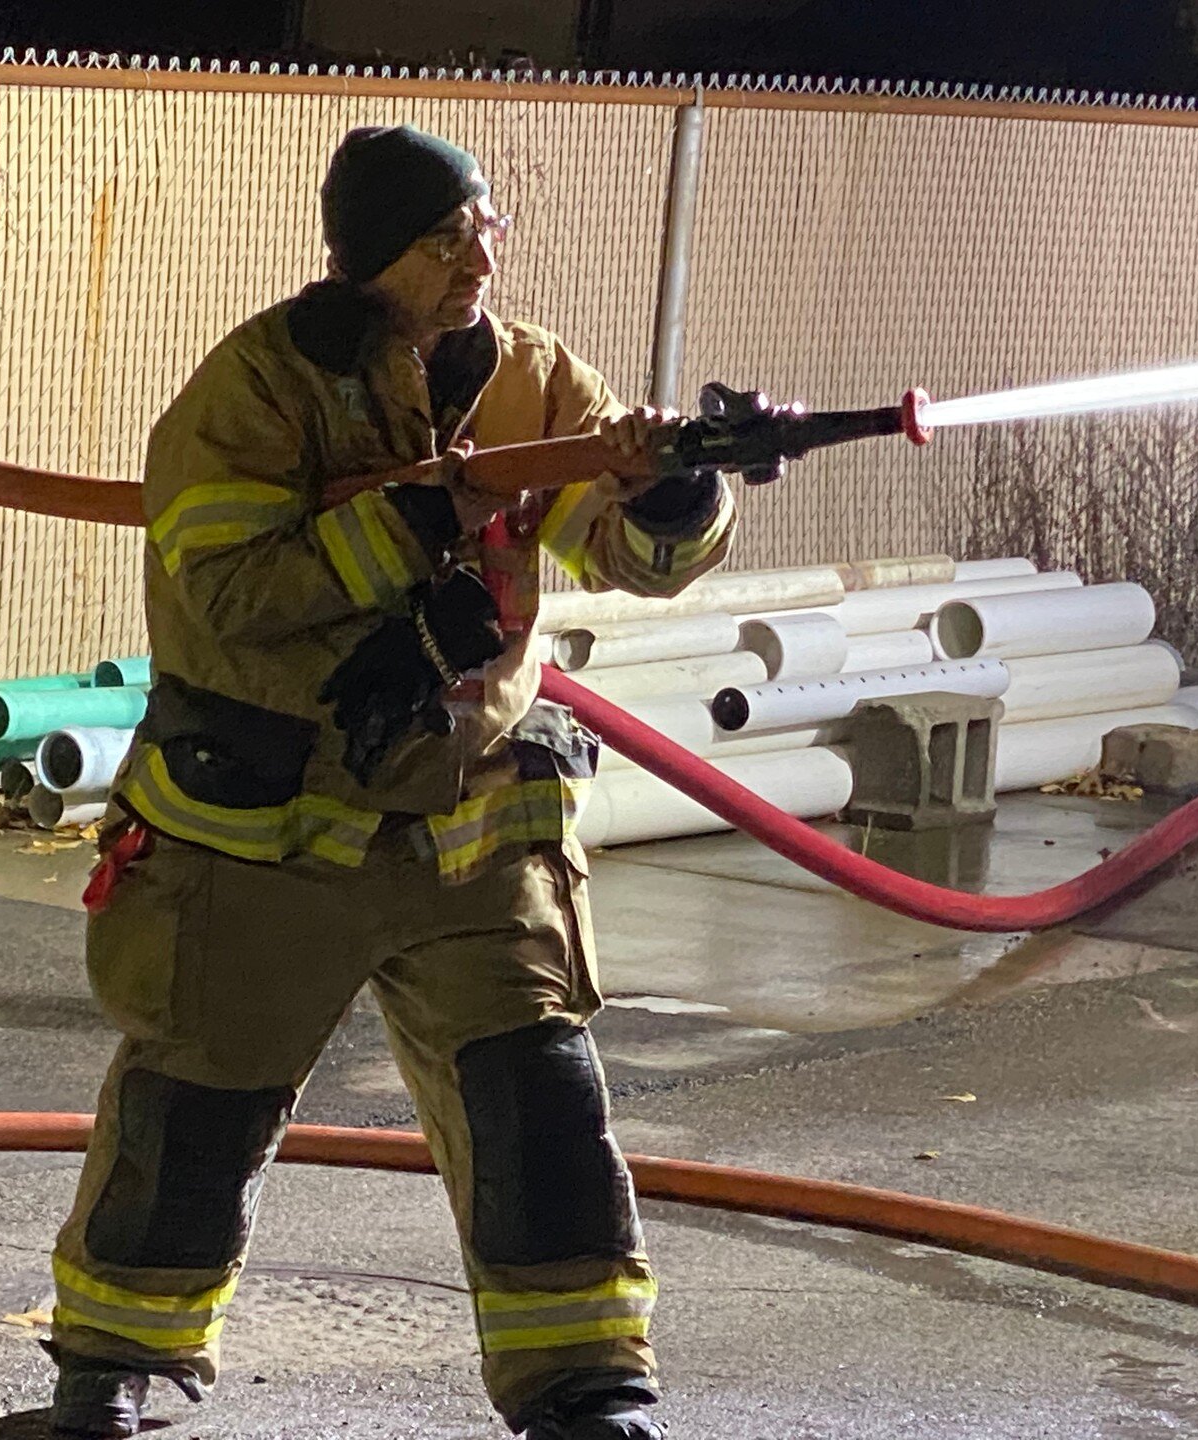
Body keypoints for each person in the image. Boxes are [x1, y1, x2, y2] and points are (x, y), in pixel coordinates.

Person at [46, 124, 736, 1439]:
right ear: (373, 259)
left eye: (487, 228)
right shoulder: (255, 389)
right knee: (197, 1103)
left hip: (475, 828)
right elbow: (231, 588)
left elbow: (627, 554)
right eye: (444, 238)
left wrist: (673, 492)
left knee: (538, 1101)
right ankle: (118, 1364)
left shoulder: (539, 382)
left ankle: (585, 1384)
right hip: (263, 836)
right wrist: (411, 522)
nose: (480, 255)